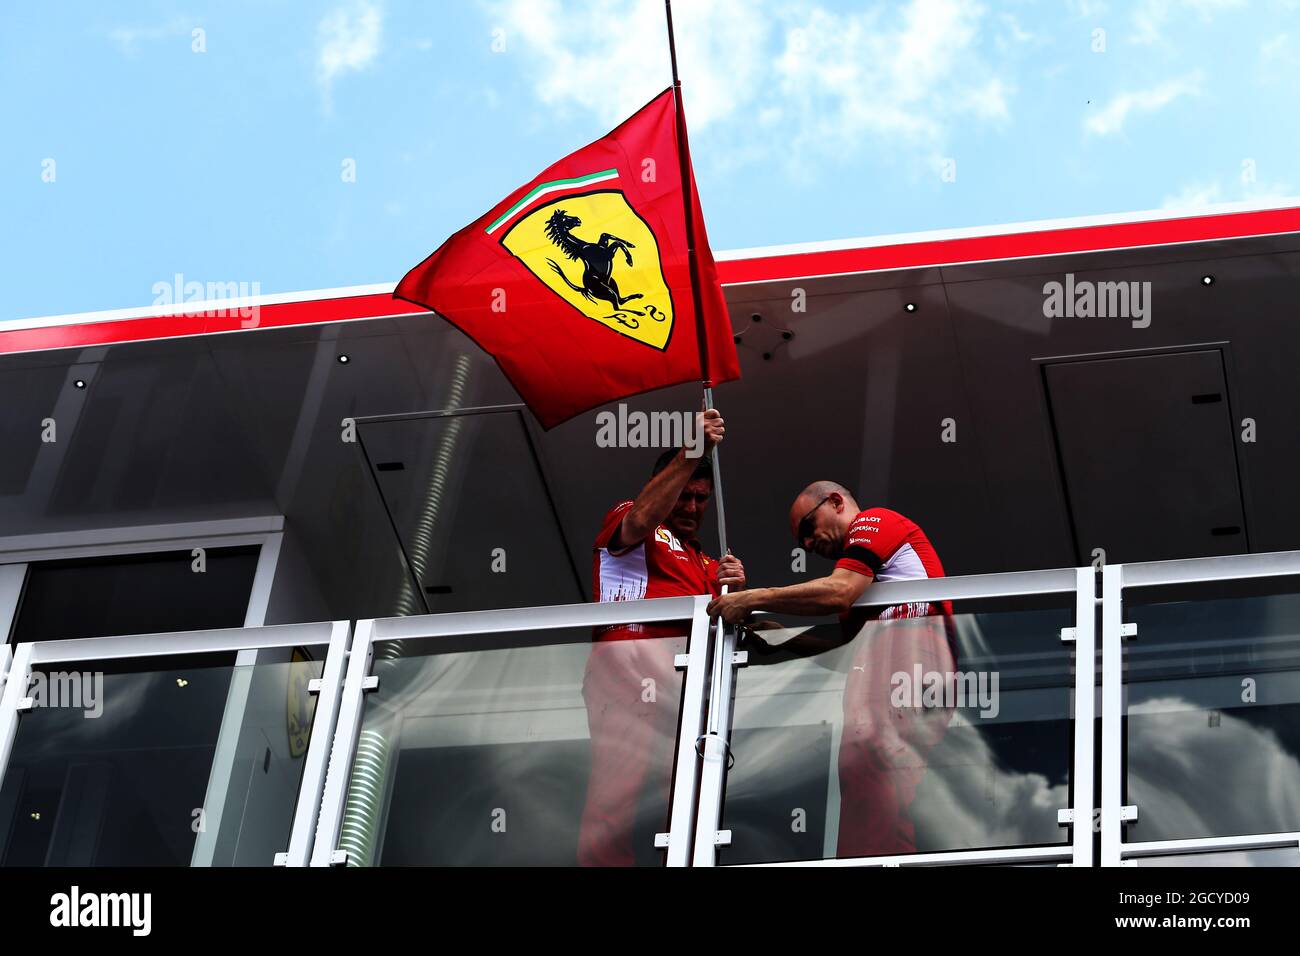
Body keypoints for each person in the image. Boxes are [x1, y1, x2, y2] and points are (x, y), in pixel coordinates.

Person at [707, 480, 954, 857]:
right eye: (800, 541)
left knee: (876, 768)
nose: (807, 544)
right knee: (866, 780)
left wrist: (753, 598)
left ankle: (880, 860)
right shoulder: (863, 587)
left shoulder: (875, 521)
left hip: (910, 648)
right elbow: (848, 653)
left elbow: (840, 589)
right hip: (891, 660)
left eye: (808, 527)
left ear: (836, 502)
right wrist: (783, 639)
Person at [578, 408, 745, 866]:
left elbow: (739, 631)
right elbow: (640, 519)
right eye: (684, 494)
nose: (692, 507)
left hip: (685, 695)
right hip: (629, 674)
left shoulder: (708, 564)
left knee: (684, 811)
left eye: (702, 499)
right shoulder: (632, 521)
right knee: (616, 801)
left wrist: (743, 596)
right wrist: (694, 449)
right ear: (666, 485)